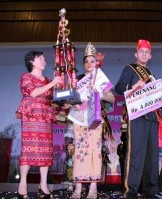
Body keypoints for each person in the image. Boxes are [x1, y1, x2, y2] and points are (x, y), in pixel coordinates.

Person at [115, 39, 162, 199]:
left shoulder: (151, 75)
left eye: (147, 52)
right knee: (136, 153)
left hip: (152, 117)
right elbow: (118, 88)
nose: (144, 54)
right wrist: (133, 86)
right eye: (141, 52)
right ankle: (130, 191)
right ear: (136, 54)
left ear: (150, 56)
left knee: (151, 155)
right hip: (136, 116)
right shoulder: (130, 69)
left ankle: (150, 190)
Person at [67, 42, 115, 199]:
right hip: (79, 119)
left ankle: (93, 187)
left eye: (92, 61)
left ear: (97, 63)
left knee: (95, 150)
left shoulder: (100, 78)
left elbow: (112, 98)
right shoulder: (79, 80)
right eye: (86, 61)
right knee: (80, 151)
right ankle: (78, 187)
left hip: (94, 118)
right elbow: (69, 101)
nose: (89, 64)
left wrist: (99, 94)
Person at [16, 50, 62, 199]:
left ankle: (43, 184)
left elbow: (53, 99)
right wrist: (54, 83)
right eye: (40, 59)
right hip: (31, 115)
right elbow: (34, 93)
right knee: (28, 148)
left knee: (45, 150)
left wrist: (65, 99)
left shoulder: (48, 80)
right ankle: (22, 183)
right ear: (32, 62)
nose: (44, 61)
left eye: (44, 59)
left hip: (45, 117)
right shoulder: (26, 77)